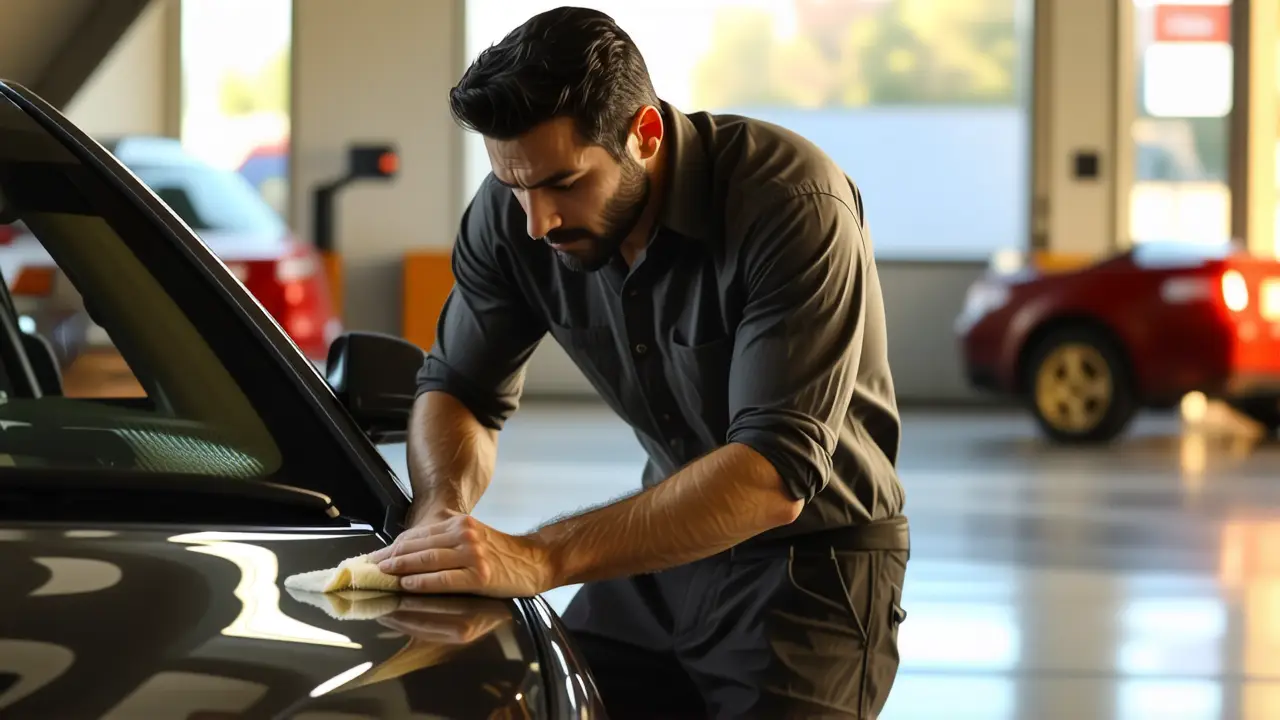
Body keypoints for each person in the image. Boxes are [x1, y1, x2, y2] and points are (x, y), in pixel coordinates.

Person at [368, 6, 910, 718]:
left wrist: (539, 556)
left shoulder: (790, 203)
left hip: (812, 567)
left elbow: (771, 476)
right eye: (515, 186)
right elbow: (459, 389)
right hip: (662, 554)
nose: (537, 221)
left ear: (645, 134)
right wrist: (438, 510)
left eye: (564, 183)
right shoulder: (515, 215)